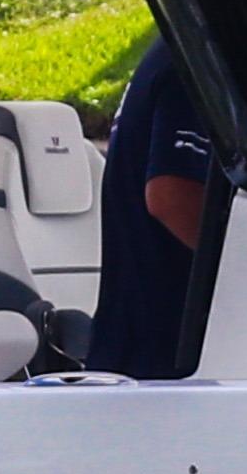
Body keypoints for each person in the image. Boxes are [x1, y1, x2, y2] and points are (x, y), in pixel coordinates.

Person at [81, 41, 224, 379]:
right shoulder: (196, 59)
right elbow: (170, 196)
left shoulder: (175, 52)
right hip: (166, 357)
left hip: (141, 346)